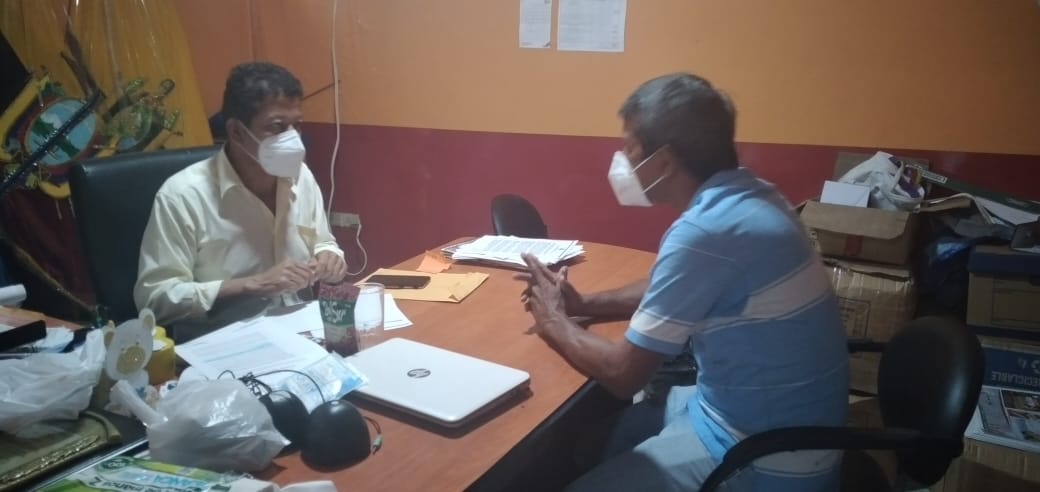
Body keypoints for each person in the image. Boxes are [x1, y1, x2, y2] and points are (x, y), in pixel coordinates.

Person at [517, 73, 849, 491]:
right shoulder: (751, 195)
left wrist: (553, 321)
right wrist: (583, 304)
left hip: (766, 451)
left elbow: (622, 375)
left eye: (629, 147)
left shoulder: (707, 231)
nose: (622, 160)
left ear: (665, 161)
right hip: (748, 410)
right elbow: (668, 288)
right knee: (590, 445)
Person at [134, 62, 346, 329]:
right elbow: (155, 299)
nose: (292, 139)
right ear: (236, 131)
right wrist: (252, 285)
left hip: (302, 326)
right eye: (277, 127)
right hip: (225, 335)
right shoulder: (182, 195)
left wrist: (330, 257)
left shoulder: (300, 175)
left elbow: (324, 242)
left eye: (297, 125)